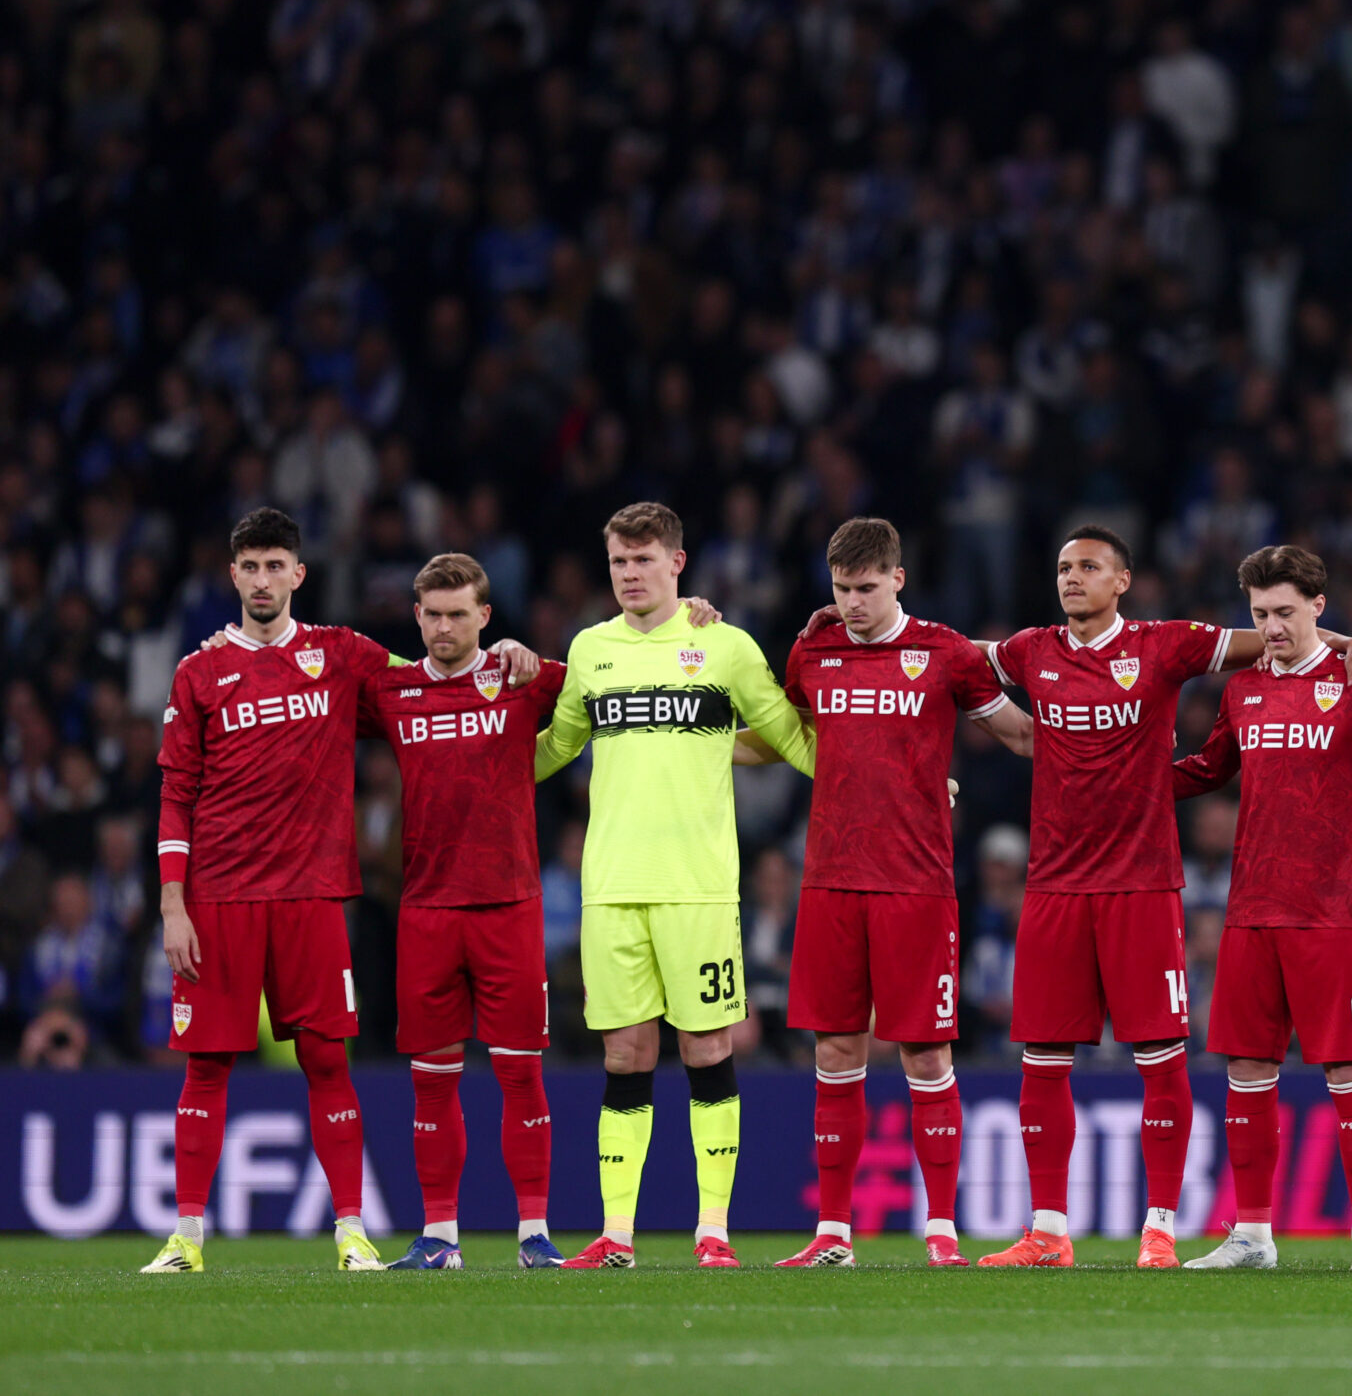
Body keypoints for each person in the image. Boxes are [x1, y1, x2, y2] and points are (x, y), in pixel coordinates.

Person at [972, 525, 1352, 1269]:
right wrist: (868, 628)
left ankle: (1160, 1229)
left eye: (1089, 566)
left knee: (1162, 1060)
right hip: (1055, 883)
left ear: (1122, 580)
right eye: (1063, 566)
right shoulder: (1033, 651)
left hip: (1145, 884)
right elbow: (954, 658)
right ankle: (1048, 1231)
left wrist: (1347, 641)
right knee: (1043, 1058)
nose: (1072, 578)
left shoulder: (1166, 645)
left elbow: (1277, 633)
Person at [143, 507, 537, 1275]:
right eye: (249, 567)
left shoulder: (342, 654)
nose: (262, 580)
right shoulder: (199, 673)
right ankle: (186, 1237)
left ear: (299, 573)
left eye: (275, 566)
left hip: (313, 896)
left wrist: (503, 656)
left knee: (327, 1060)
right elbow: (175, 793)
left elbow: (431, 679)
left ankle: (351, 1232)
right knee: (207, 1066)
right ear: (233, 576)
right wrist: (171, 902)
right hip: (218, 898)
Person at [738, 517, 1034, 1269]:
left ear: (898, 579)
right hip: (830, 880)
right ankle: (833, 1235)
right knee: (836, 1050)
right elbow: (781, 736)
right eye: (842, 589)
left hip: (916, 885)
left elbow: (1022, 735)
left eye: (867, 588)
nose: (853, 603)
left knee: (925, 1055)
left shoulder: (945, 653)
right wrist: (693, 745)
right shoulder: (813, 649)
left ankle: (942, 1232)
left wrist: (1119, 744)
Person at [534, 502, 815, 1270]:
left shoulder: (724, 645)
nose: (629, 574)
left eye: (643, 560)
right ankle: (616, 1236)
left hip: (698, 888)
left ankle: (712, 1232)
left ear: (677, 563)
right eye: (619, 562)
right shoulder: (590, 649)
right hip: (611, 888)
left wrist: (890, 785)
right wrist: (472, 770)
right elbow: (556, 746)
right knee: (624, 1054)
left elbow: (791, 736)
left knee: (706, 1047)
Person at [1167, 544, 1352, 1271]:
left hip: (1333, 914)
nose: (1273, 627)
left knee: (1348, 1073)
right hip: (1252, 911)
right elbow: (1208, 769)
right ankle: (1252, 1236)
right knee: (1248, 1074)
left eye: (1285, 612)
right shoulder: (1243, 690)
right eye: (1260, 614)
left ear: (1319, 606)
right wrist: (1126, 775)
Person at [359, 552, 579, 1271]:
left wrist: (693, 617)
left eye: (459, 614)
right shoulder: (392, 691)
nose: (444, 627)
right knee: (431, 1081)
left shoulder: (521, 678)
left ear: (484, 616)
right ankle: (440, 1237)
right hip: (426, 911)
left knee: (521, 1075)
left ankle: (534, 1235)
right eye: (433, 614)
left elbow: (607, 677)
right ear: (416, 616)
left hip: (509, 906)